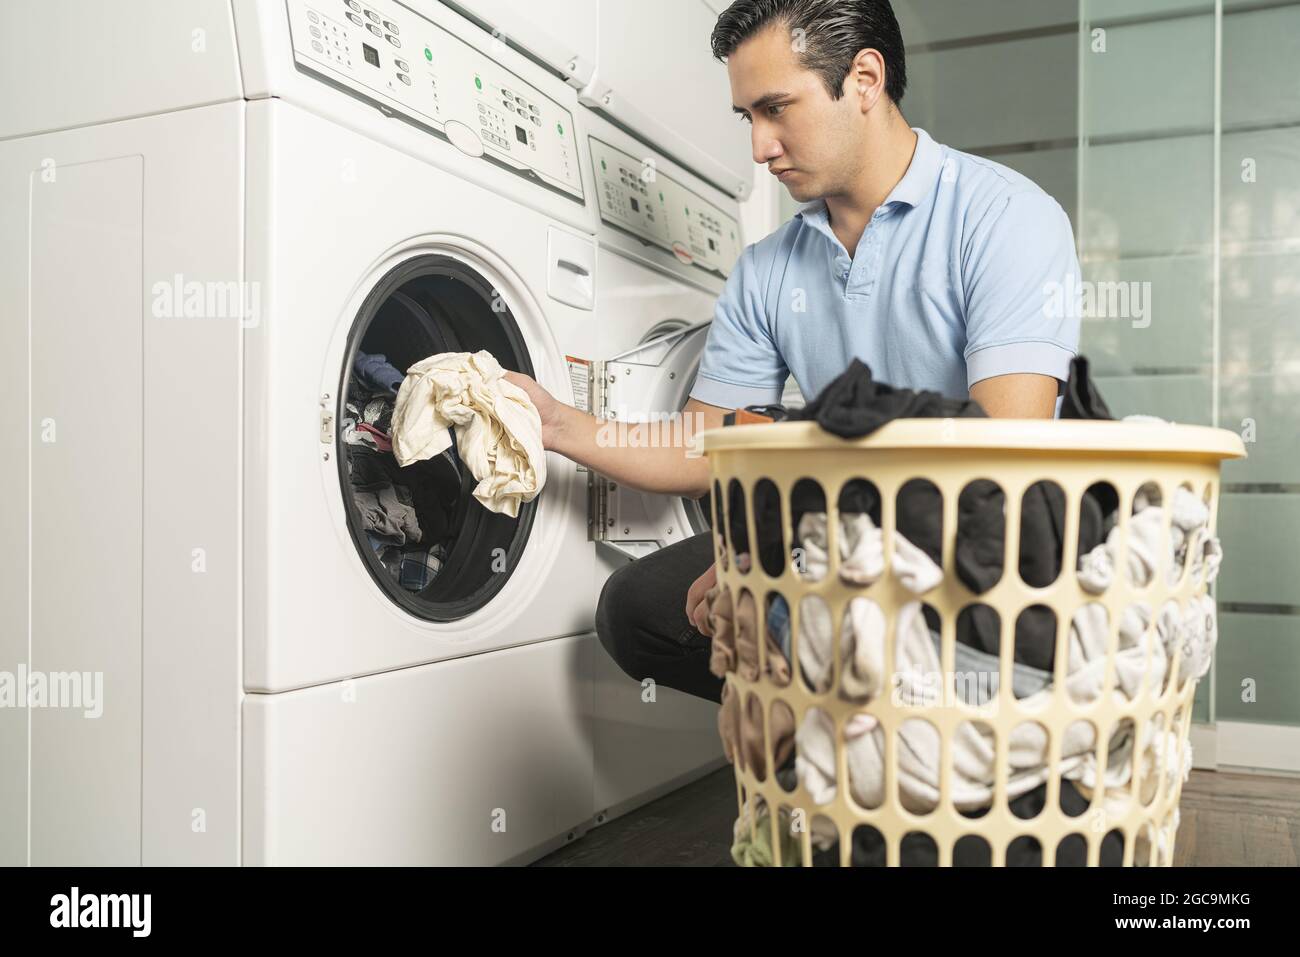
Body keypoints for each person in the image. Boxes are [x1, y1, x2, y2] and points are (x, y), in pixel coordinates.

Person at [505, 0, 1082, 704]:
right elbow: (704, 444)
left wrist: (789, 557)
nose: (759, 146)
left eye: (777, 108)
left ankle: (921, 748)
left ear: (865, 79)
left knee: (811, 602)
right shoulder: (769, 268)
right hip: (847, 540)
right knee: (638, 611)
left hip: (982, 553)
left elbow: (999, 459)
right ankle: (838, 755)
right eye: (747, 116)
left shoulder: (1004, 217)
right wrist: (560, 425)